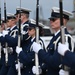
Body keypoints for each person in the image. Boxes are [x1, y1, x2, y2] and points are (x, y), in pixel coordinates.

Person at [31, 7, 73, 75]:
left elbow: (54, 62)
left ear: (63, 20)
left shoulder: (65, 37)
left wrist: (39, 51)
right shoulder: (55, 37)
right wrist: (42, 68)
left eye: (54, 19)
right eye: (50, 19)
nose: (51, 21)